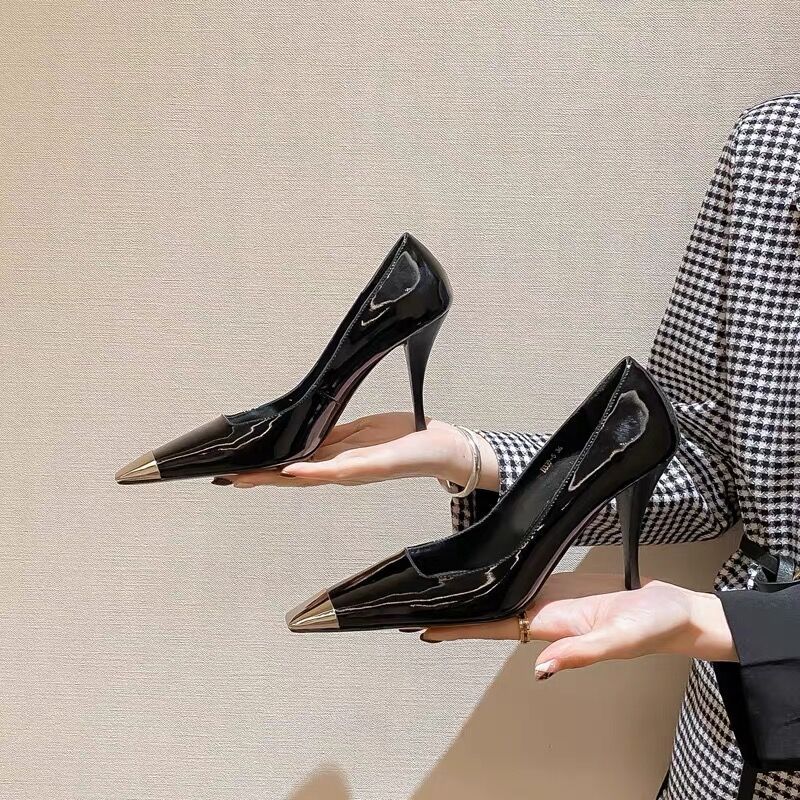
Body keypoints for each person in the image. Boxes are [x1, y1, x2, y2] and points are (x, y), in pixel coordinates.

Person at [214, 94, 800, 799]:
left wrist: (732, 624)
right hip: (729, 754)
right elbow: (701, 462)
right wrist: (470, 458)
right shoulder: (774, 149)